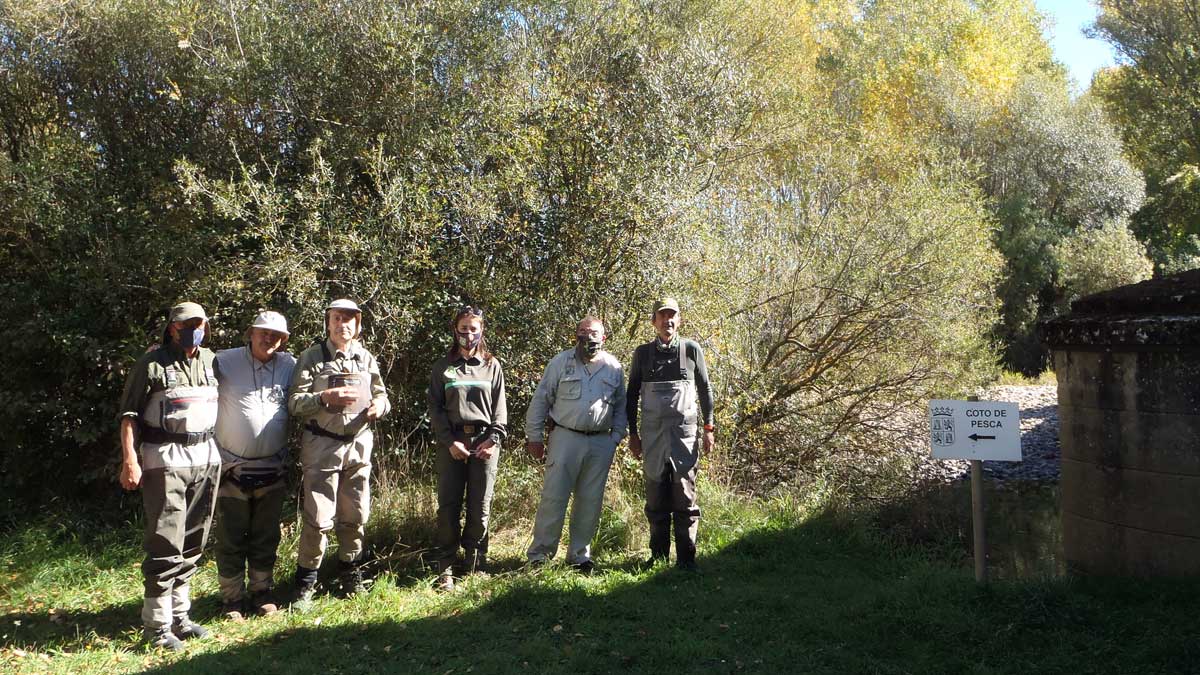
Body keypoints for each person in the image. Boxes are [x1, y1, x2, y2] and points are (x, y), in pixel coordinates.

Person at [118, 302, 220, 651]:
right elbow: (129, 414)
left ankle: (181, 616)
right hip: (165, 459)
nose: (195, 329)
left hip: (206, 458)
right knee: (166, 541)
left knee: (194, 540)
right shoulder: (152, 363)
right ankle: (156, 626)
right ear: (173, 328)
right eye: (188, 324)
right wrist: (130, 460)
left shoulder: (210, 360)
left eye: (200, 323)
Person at [288, 299, 390, 601]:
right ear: (328, 322)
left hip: (358, 447)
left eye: (349, 319)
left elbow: (381, 394)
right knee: (318, 519)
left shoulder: (366, 358)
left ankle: (351, 573)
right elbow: (294, 403)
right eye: (336, 318)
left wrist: (380, 407)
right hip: (322, 447)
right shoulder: (311, 358)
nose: (342, 324)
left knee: (356, 514)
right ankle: (306, 582)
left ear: (357, 325)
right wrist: (323, 398)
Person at [212, 311, 296, 620]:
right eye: (263, 332)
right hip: (233, 469)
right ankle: (232, 599)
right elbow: (190, 364)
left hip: (273, 469)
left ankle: (262, 592)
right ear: (250, 332)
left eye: (276, 335)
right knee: (231, 537)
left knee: (266, 535)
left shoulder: (290, 365)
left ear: (284, 340)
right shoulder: (222, 360)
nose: (268, 338)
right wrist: (162, 351)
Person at [525, 317, 627, 573]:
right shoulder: (560, 363)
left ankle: (579, 557)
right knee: (554, 497)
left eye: (593, 333)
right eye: (582, 331)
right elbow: (540, 401)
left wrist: (615, 438)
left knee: (590, 500)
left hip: (601, 442)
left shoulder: (613, 367)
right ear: (575, 335)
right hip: (565, 438)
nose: (587, 337)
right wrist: (534, 437)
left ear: (604, 337)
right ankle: (540, 555)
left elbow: (622, 406)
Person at [626, 298, 715, 571]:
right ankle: (658, 557)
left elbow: (705, 391)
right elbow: (631, 396)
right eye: (662, 316)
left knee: (685, 498)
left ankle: (687, 559)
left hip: (684, 437)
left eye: (673, 315)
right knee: (655, 497)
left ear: (680, 319)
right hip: (652, 437)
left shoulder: (691, 350)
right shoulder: (642, 354)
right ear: (654, 321)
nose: (668, 321)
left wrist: (709, 429)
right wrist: (633, 435)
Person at [427, 306, 507, 591]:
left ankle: (475, 562)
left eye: (474, 328)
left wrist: (493, 439)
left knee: (480, 504)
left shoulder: (491, 365)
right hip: (452, 444)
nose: (469, 334)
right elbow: (435, 409)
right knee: (448, 506)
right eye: (464, 328)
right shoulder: (443, 366)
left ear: (481, 330)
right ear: (455, 329)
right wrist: (450, 442)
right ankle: (445, 565)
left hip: (484, 443)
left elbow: (500, 409)